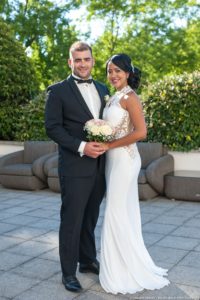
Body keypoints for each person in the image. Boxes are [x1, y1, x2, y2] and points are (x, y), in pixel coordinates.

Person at [99, 53, 170, 294]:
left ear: (128, 73)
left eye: (118, 71)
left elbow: (141, 132)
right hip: (112, 160)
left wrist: (109, 145)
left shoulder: (130, 97)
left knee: (115, 211)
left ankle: (123, 271)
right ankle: (120, 264)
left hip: (125, 160)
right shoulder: (113, 98)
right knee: (121, 211)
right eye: (110, 71)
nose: (113, 75)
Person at [45, 41, 109, 293]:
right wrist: (82, 146)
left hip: (101, 167)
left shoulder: (103, 88)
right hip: (74, 165)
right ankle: (68, 272)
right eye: (78, 60)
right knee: (72, 219)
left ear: (93, 60)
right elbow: (52, 127)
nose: (83, 64)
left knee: (91, 216)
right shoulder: (58, 91)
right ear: (70, 62)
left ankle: (87, 260)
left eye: (87, 59)